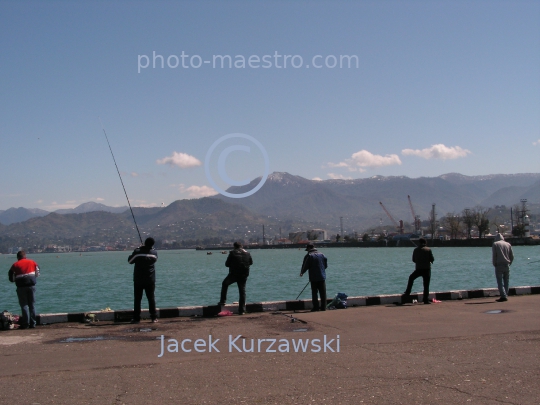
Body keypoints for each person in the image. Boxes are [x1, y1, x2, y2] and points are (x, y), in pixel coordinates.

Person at [128, 237, 158, 323]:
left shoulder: (138, 253)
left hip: (138, 280)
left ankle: (137, 318)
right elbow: (154, 260)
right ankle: (153, 317)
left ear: (145, 243)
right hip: (150, 280)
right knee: (151, 298)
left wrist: (138, 249)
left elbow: (130, 261)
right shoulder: (154, 253)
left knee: (137, 299)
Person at [8, 251, 40, 329]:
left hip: (21, 287)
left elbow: (11, 277)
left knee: (24, 305)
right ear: (25, 256)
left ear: (18, 257)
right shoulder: (32, 262)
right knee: (32, 305)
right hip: (31, 286)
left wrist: (14, 279)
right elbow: (37, 273)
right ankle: (33, 324)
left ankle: (25, 324)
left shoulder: (15, 265)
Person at [218, 242, 253, 315]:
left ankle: (222, 301)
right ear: (241, 246)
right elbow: (251, 263)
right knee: (242, 291)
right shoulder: (247, 253)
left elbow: (227, 264)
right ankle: (242, 310)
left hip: (234, 274)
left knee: (225, 284)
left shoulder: (232, 253)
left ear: (234, 247)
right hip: (244, 274)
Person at [403, 238, 434, 304]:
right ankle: (425, 299)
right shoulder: (428, 249)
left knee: (411, 278)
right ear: (425, 243)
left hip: (419, 269)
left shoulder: (416, 250)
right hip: (427, 269)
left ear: (419, 243)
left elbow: (413, 260)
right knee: (426, 285)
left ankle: (407, 292)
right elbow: (432, 259)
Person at [300, 243, 328, 312]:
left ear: (309, 248)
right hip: (322, 276)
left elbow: (305, 265)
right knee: (323, 292)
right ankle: (323, 307)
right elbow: (325, 265)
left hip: (313, 277)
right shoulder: (322, 254)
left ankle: (315, 307)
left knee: (314, 292)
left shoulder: (309, 256)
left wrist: (302, 272)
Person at [492, 233, 514, 302]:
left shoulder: (495, 244)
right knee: (506, 281)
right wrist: (509, 263)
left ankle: (503, 296)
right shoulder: (508, 244)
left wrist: (494, 264)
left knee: (500, 281)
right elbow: (512, 256)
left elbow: (494, 256)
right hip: (507, 265)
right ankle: (505, 295)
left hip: (499, 265)